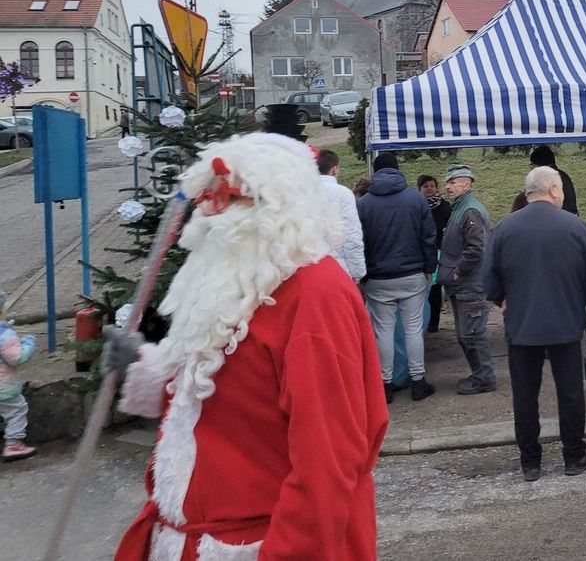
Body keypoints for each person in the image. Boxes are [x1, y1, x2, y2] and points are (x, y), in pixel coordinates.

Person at [108, 133, 388, 559]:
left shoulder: (313, 294)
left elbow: (328, 461)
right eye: (208, 199)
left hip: (254, 546)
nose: (209, 212)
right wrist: (149, 369)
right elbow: (226, 397)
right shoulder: (229, 282)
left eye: (228, 198)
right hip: (186, 538)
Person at [484, 166, 586, 481]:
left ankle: (530, 462)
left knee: (525, 395)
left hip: (521, 324)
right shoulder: (576, 226)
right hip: (565, 322)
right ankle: (573, 455)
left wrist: (504, 300)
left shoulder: (504, 229)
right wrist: (574, 299)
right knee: (569, 392)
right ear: (554, 189)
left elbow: (489, 280)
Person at [357, 152, 438, 403]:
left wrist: (364, 274)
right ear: (397, 169)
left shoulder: (364, 203)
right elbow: (428, 236)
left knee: (383, 331)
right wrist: (429, 266)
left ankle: (385, 384)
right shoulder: (416, 199)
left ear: (375, 173)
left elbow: (359, 241)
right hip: (412, 273)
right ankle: (418, 381)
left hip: (378, 277)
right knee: (413, 329)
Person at [439, 164, 496, 395]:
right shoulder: (461, 208)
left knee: (472, 333)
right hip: (463, 284)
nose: (447, 187)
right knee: (466, 334)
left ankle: (484, 378)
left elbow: (476, 249)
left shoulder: (470, 211)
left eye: (452, 182)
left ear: (467, 183)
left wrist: (457, 272)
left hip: (469, 285)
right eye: (448, 182)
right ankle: (480, 375)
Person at [317, 149, 366, 282]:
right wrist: (358, 272)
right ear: (334, 169)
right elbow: (352, 235)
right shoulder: (343, 193)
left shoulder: (302, 193)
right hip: (338, 268)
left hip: (309, 268)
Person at [0, 288, 37, 461]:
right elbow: (17, 358)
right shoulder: (5, 334)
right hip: (4, 387)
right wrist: (28, 343)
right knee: (17, 410)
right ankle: (13, 444)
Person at [417, 175, 452, 333]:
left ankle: (433, 323)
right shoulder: (416, 206)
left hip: (441, 250)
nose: (430, 188)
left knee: (436, 288)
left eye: (432, 185)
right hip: (422, 251)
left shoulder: (445, 206)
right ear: (419, 189)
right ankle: (422, 321)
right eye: (426, 186)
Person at [529, 145, 579, 215]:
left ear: (540, 165)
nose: (532, 169)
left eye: (532, 165)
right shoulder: (562, 175)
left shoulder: (547, 180)